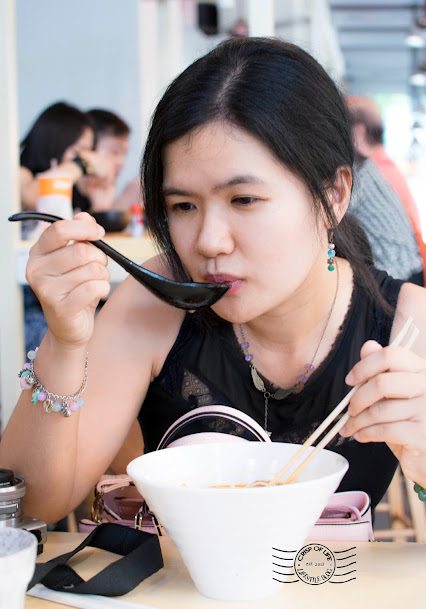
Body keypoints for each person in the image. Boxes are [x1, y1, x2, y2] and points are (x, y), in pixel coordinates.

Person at [1, 38, 425, 525]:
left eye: (243, 199)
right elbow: (31, 506)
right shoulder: (154, 303)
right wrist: (65, 341)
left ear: (332, 196)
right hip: (175, 598)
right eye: (183, 206)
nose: (208, 242)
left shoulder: (408, 328)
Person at [19, 102, 115, 354]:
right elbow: (33, 195)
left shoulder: (71, 189)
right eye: (79, 149)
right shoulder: (20, 174)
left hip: (75, 292)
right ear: (55, 140)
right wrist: (82, 164)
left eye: (88, 151)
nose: (88, 157)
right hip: (32, 304)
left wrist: (99, 201)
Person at [347, 95, 426, 286]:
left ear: (357, 132)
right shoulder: (381, 166)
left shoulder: (366, 169)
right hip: (409, 271)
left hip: (398, 276)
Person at [347, 155, 424, 284]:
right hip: (413, 265)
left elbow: (331, 216)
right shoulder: (367, 165)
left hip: (397, 271)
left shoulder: (356, 174)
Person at [73, 108, 141, 213]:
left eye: (124, 154)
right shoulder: (63, 191)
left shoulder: (98, 192)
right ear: (88, 147)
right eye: (115, 152)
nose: (121, 163)